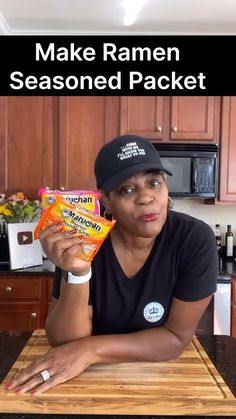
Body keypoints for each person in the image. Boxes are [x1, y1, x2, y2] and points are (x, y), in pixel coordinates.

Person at [5, 135, 217, 396]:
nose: (146, 198)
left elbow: (175, 339)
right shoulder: (83, 238)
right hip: (85, 382)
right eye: (127, 190)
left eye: (154, 183)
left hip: (161, 379)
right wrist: (78, 271)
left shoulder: (194, 239)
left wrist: (90, 350)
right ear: (105, 200)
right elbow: (64, 342)